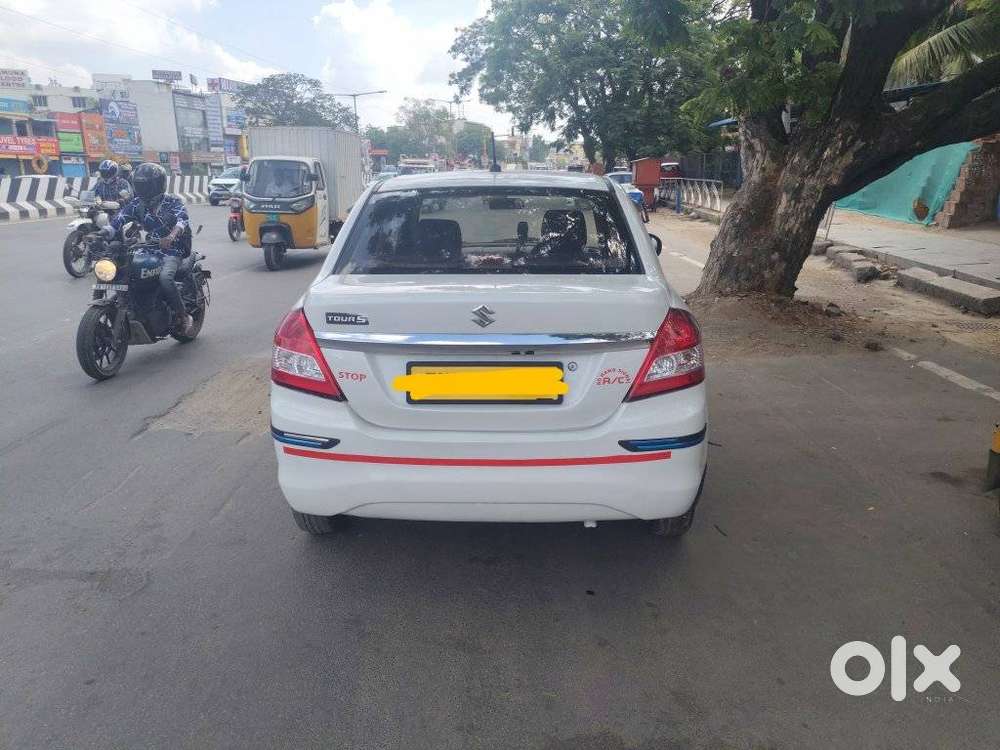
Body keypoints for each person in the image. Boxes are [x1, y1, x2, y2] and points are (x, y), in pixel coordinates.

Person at [110, 162, 193, 334]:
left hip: (173, 248)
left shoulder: (172, 201)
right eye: (140, 184)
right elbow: (120, 218)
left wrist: (171, 236)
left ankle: (183, 315)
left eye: (147, 184)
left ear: (158, 184)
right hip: (149, 247)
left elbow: (182, 220)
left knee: (165, 278)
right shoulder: (136, 203)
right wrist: (105, 232)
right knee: (127, 271)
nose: (144, 188)